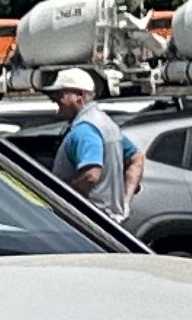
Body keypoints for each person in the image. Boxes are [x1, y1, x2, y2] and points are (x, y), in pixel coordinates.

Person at [50, 69, 144, 213]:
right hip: (107, 218)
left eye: (60, 94)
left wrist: (63, 199)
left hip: (85, 218)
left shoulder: (84, 129)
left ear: (79, 96)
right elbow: (137, 158)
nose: (54, 99)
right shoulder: (105, 123)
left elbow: (91, 175)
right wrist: (124, 202)